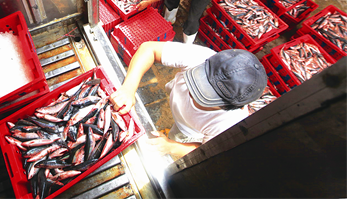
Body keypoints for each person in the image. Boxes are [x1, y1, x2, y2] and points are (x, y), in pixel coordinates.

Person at [109, 41, 267, 157]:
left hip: (189, 130)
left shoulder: (231, 123)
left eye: (206, 96)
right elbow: (148, 49)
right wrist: (128, 88)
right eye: (199, 80)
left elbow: (206, 149)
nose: (193, 92)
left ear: (229, 107)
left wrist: (171, 147)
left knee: (176, 137)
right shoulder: (203, 57)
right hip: (174, 99)